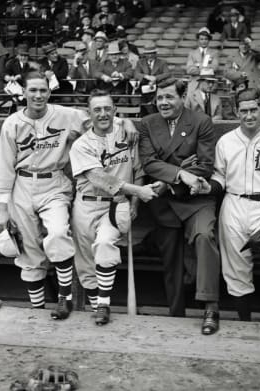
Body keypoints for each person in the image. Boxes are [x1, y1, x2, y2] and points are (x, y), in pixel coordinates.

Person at [194, 88, 260, 332]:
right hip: (234, 204)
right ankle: (244, 322)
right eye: (244, 111)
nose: (249, 115)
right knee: (236, 269)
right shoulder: (226, 141)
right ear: (236, 112)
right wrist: (207, 187)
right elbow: (220, 178)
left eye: (253, 110)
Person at [0, 71, 89, 320]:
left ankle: (64, 299)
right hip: (21, 185)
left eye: (43, 90)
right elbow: (4, 167)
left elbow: (101, 120)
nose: (38, 95)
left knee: (58, 233)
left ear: (49, 91)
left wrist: (127, 124)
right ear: (23, 92)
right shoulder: (12, 123)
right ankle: (37, 310)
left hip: (54, 182)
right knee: (29, 251)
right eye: (33, 90)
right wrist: (3, 209)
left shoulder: (67, 115)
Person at [138, 77, 221, 335]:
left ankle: (210, 308)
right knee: (170, 261)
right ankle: (176, 315)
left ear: (183, 97)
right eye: (159, 98)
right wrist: (181, 171)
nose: (163, 102)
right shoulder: (147, 124)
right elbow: (149, 163)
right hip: (165, 204)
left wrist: (173, 178)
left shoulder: (200, 121)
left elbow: (206, 166)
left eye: (169, 97)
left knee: (204, 237)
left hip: (196, 199)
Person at [69, 89, 157, 325]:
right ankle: (97, 303)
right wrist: (138, 192)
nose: (103, 113)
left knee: (105, 243)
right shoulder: (81, 145)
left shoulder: (127, 134)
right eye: (97, 109)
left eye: (107, 108)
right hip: (87, 204)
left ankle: (103, 306)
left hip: (117, 204)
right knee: (86, 262)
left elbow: (138, 171)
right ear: (89, 114)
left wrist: (135, 203)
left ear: (115, 111)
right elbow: (102, 179)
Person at [133, 43, 171, 116]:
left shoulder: (162, 62)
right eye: (148, 54)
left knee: (156, 102)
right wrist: (146, 76)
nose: (150, 55)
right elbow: (136, 74)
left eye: (152, 53)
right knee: (138, 98)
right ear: (144, 54)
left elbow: (167, 74)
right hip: (143, 88)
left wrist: (155, 78)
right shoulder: (140, 62)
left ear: (155, 53)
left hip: (157, 87)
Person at [185, 27, 220, 99]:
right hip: (194, 84)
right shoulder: (192, 53)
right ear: (198, 40)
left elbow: (215, 67)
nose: (204, 41)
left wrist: (197, 66)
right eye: (201, 39)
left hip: (209, 84)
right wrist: (206, 68)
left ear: (209, 40)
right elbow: (189, 69)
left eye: (206, 39)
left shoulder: (214, 53)